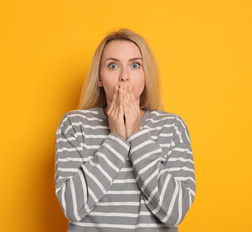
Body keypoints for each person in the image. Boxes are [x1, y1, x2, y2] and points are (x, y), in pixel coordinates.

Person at [54, 28, 196, 232]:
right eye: (113, 66)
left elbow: (175, 212)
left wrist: (137, 136)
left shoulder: (172, 127)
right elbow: (72, 207)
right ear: (100, 78)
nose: (124, 77)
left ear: (146, 75)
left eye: (135, 65)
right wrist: (117, 138)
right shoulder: (75, 125)